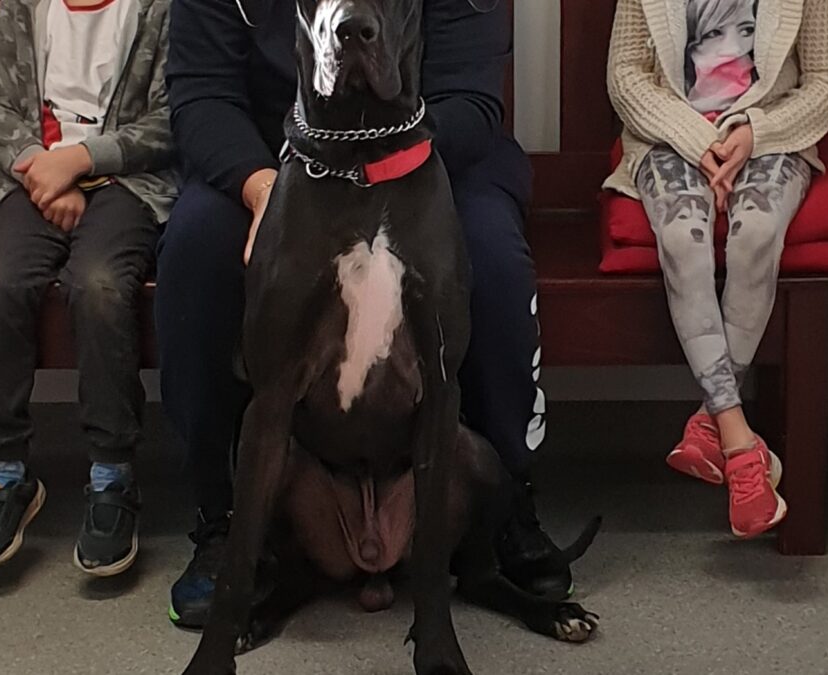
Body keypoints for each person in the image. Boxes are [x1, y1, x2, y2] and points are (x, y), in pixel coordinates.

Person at [158, 0, 572, 628]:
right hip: (277, 156)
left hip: (426, 150)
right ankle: (227, 520)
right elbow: (201, 97)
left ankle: (504, 506)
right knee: (195, 250)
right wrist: (268, 190)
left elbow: (470, 98)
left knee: (491, 256)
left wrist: (383, 174)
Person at [605, 0, 828, 537]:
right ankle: (740, 442)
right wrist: (700, 142)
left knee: (757, 234)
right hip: (670, 136)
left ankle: (709, 425)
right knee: (681, 238)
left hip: (772, 134)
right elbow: (625, 77)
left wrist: (756, 132)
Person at [0, 0, 175, 577]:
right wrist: (41, 170)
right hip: (30, 184)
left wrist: (78, 161)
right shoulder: (25, 8)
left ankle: (112, 476)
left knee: (101, 286)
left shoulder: (158, 10)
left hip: (126, 184)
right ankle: (6, 474)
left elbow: (169, 120)